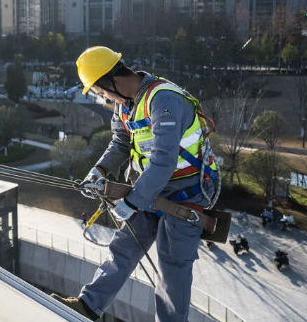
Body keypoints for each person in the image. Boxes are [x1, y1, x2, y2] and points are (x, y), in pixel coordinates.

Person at [51, 47, 219, 322]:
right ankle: (88, 306)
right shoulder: (125, 103)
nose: (102, 96)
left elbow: (165, 161)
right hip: (149, 188)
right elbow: (120, 142)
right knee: (124, 247)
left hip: (186, 193)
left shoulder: (163, 100)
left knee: (172, 268)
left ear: (112, 80)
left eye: (99, 90)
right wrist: (100, 169)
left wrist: (131, 202)